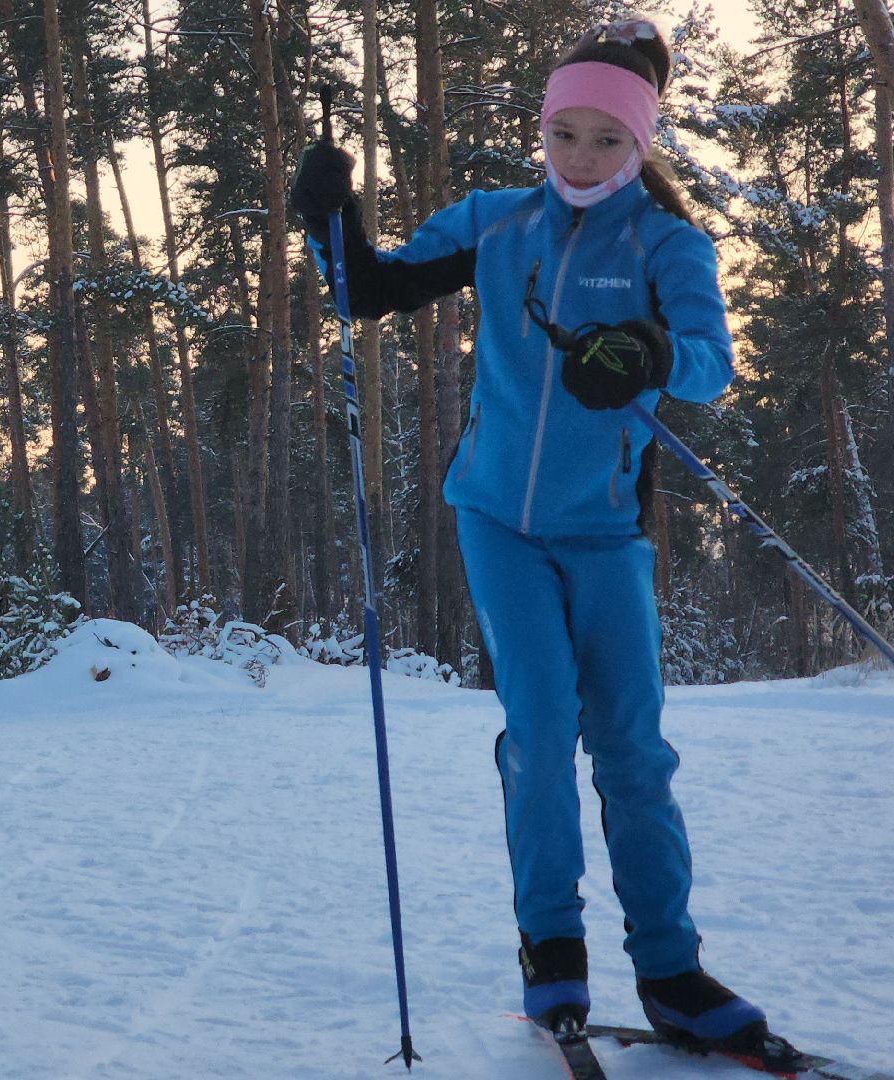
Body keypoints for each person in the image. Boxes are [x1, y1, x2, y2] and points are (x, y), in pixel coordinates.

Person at [292, 17, 785, 1057]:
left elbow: (708, 364)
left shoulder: (664, 242)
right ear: (541, 130)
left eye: (607, 139)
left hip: (605, 533)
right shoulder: (495, 222)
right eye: (564, 133)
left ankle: (670, 970)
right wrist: (328, 220)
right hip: (495, 523)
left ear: (639, 146)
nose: (580, 158)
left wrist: (646, 349)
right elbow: (368, 291)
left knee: (632, 750)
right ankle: (550, 952)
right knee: (538, 732)